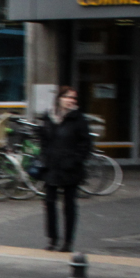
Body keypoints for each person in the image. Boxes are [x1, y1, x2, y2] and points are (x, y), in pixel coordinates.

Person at [39, 86, 91, 253]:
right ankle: (53, 239)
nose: (71, 101)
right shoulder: (49, 117)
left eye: (74, 99)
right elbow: (44, 140)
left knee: (69, 205)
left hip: (70, 169)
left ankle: (68, 241)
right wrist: (45, 158)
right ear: (60, 98)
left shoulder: (78, 119)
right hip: (52, 166)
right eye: (68, 97)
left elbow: (86, 144)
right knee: (49, 203)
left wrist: (75, 160)